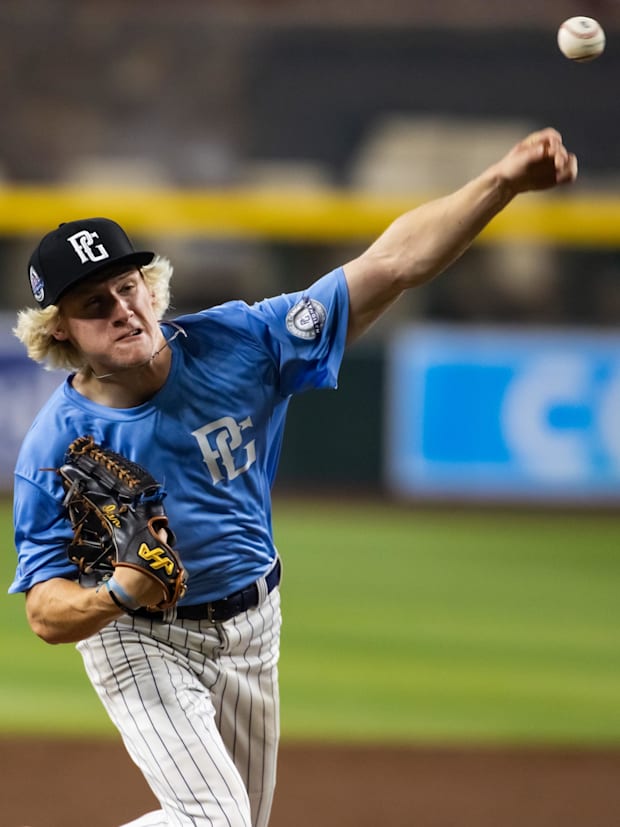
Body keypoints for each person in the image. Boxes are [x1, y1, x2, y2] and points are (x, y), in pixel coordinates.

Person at [9, 127, 577, 827]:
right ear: (58, 329)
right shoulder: (56, 446)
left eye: (127, 286)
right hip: (141, 637)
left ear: (149, 286)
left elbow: (392, 263)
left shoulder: (240, 343)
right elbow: (45, 610)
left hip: (254, 624)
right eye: (94, 303)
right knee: (213, 819)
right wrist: (119, 592)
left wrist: (503, 182)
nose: (123, 308)